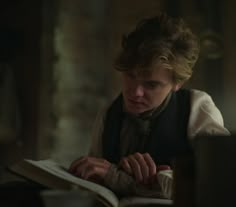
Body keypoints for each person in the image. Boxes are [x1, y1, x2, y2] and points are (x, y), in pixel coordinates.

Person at [68, 12, 230, 199]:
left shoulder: (197, 108)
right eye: (130, 75)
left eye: (151, 84)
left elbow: (218, 182)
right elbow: (95, 182)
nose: (135, 92)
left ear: (177, 84)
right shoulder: (109, 114)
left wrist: (122, 179)